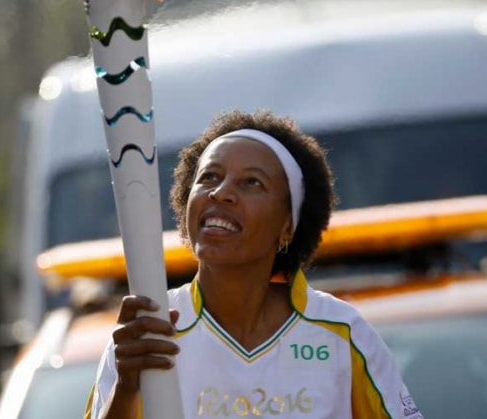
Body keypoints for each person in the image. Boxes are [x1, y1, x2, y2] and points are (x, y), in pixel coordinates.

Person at [85, 109, 423, 419]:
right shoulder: (149, 332)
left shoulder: (340, 332)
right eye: (209, 177)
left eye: (252, 182)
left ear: (287, 226)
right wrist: (127, 386)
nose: (221, 193)